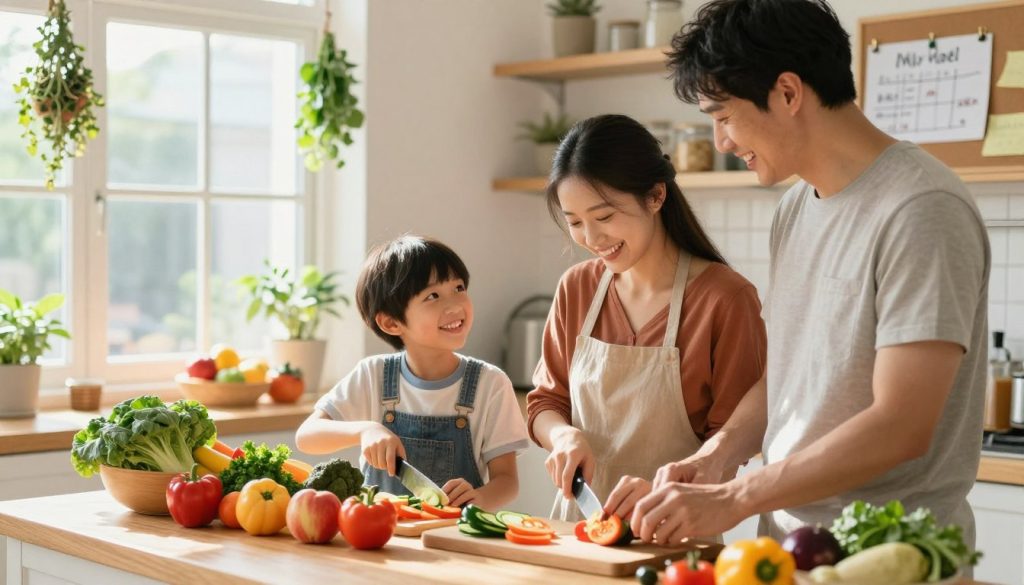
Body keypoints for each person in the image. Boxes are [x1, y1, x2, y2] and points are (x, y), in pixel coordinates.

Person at [607, 0, 989, 551]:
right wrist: (717, 457)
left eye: (723, 117)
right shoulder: (794, 210)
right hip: (790, 546)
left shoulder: (921, 207)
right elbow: (795, 371)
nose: (722, 143)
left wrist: (737, 498)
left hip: (889, 554)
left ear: (787, 93)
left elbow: (903, 424)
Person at [526, 114, 767, 522]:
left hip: (676, 529)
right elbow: (546, 402)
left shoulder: (724, 299)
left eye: (603, 217)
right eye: (575, 223)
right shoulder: (577, 288)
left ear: (655, 197)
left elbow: (736, 440)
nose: (591, 238)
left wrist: (664, 489)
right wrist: (563, 435)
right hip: (577, 530)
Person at [295, 235, 530, 510]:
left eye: (459, 287)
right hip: (379, 537)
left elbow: (507, 481)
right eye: (433, 296)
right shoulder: (373, 374)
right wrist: (365, 430)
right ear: (392, 322)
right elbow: (307, 436)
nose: (455, 305)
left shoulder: (491, 383)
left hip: (454, 537)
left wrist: (480, 498)